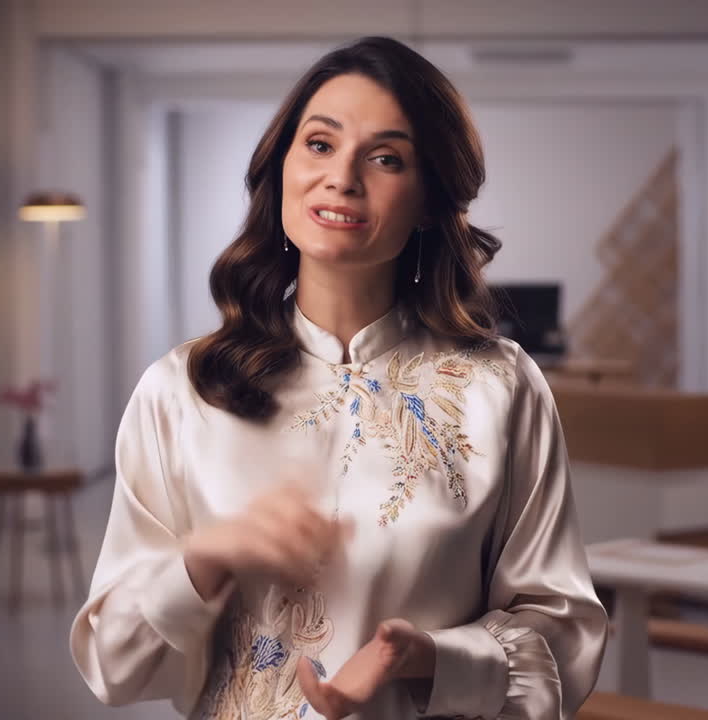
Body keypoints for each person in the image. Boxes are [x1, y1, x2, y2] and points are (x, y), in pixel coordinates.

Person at [70, 36, 607, 720]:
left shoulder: (501, 388)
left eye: (386, 158)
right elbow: (111, 666)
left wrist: (429, 657)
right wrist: (205, 557)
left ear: (428, 201)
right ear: (282, 167)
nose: (343, 177)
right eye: (320, 144)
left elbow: (568, 640)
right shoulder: (183, 390)